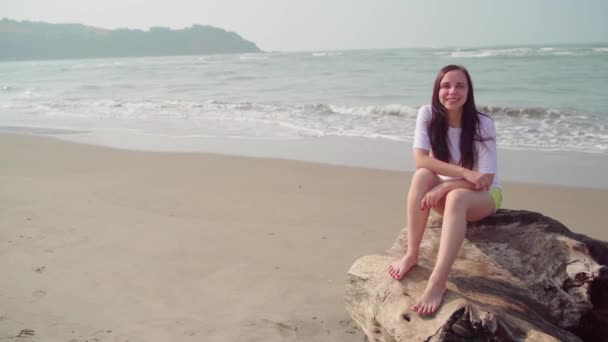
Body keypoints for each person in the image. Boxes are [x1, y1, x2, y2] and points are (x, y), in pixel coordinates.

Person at [387, 64, 502, 316]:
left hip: (483, 196)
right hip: (449, 189)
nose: (452, 91)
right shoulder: (428, 115)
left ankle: (438, 282)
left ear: (469, 91)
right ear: (437, 90)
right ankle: (412, 253)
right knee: (421, 176)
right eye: (446, 86)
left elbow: (486, 179)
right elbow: (421, 160)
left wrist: (449, 184)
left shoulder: (483, 123)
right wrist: (462, 172)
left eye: (460, 85)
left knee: (457, 197)